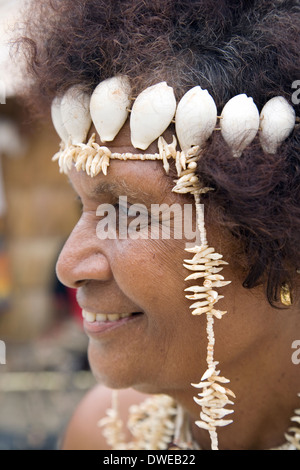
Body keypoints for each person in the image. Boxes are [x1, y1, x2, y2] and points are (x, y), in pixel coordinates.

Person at [18, 0, 300, 450]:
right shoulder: (105, 434)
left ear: (280, 238)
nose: (69, 266)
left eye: (128, 212)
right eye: (82, 206)